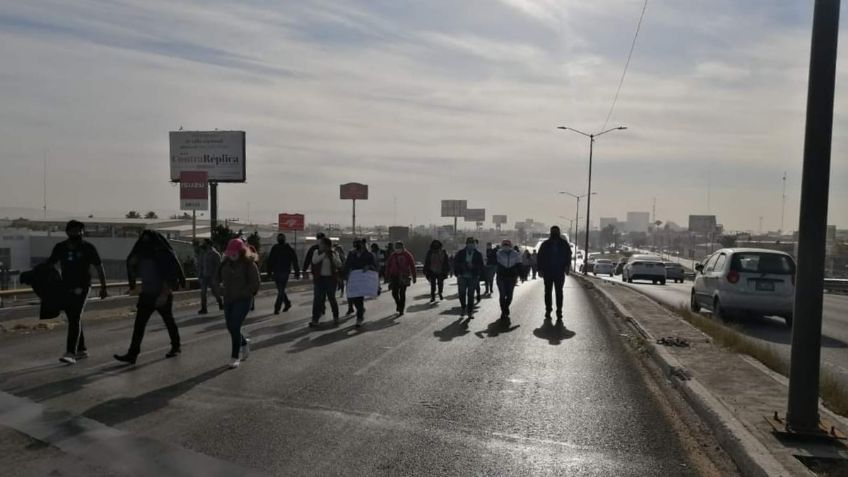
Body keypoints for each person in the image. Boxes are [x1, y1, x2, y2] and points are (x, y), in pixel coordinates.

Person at [114, 231, 185, 364]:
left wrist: (164, 295)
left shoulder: (163, 254)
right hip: (146, 294)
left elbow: (170, 276)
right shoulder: (142, 255)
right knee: (139, 325)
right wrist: (132, 265)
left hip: (161, 295)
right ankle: (132, 354)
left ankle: (176, 347)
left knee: (169, 322)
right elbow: (135, 270)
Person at [47, 220, 108, 364]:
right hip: (65, 287)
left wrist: (103, 287)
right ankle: (82, 349)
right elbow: (49, 264)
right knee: (73, 318)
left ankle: (70, 353)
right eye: (74, 230)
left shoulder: (88, 248)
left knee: (74, 317)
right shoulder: (60, 247)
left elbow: (99, 267)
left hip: (83, 287)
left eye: (80, 231)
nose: (78, 233)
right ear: (68, 232)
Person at [217, 239, 261, 369]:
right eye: (230, 253)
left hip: (243, 300)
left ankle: (235, 357)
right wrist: (220, 290)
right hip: (228, 299)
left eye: (234, 252)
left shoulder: (249, 264)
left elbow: (255, 284)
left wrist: (243, 292)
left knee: (235, 325)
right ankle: (243, 342)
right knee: (230, 327)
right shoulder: (225, 263)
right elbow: (216, 279)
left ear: (241, 251)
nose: (232, 255)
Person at [537, 226, 573, 321]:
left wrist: (567, 267)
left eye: (556, 232)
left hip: (559, 272)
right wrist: (540, 269)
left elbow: (568, 255)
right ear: (551, 233)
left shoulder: (564, 244)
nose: (554, 233)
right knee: (547, 292)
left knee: (559, 292)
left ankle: (559, 311)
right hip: (548, 272)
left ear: (559, 232)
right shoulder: (545, 244)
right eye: (553, 232)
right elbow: (539, 257)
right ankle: (548, 310)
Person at [343, 239, 377, 328]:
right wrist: (346, 274)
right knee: (353, 298)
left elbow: (374, 266)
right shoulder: (352, 254)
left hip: (363, 280)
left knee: (359, 298)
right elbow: (347, 265)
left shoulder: (369, 255)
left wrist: (368, 266)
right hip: (353, 279)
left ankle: (359, 318)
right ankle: (360, 310)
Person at [310, 237, 342, 327]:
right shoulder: (316, 252)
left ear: (327, 245)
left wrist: (331, 256)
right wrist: (324, 254)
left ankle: (336, 317)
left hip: (330, 279)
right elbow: (314, 261)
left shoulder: (334, 253)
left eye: (321, 244)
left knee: (332, 298)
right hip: (319, 279)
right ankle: (315, 319)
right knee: (317, 299)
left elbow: (339, 264)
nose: (320, 245)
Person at [266, 233, 300, 314]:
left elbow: (294, 261)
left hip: (284, 272)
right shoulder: (276, 248)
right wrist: (269, 272)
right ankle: (287, 303)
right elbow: (270, 261)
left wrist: (297, 272)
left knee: (281, 291)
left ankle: (277, 308)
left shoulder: (287, 248)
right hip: (277, 272)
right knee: (281, 290)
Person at [452, 237, 484, 319]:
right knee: (462, 293)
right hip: (462, 276)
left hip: (473, 277)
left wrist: (473, 267)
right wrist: (462, 267)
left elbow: (481, 266)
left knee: (471, 294)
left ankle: (470, 311)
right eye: (469, 243)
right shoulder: (460, 253)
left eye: (472, 243)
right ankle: (463, 307)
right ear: (466, 244)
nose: (471, 245)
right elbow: (455, 263)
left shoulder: (478, 254)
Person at [386, 241, 417, 316]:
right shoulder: (393, 255)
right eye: (396, 248)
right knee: (394, 293)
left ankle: (401, 309)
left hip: (404, 276)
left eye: (399, 248)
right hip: (394, 276)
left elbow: (412, 265)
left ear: (402, 248)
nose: (397, 250)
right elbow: (388, 265)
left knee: (402, 293)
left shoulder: (407, 255)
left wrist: (414, 277)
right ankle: (398, 304)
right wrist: (387, 276)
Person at [496, 239, 521, 323]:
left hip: (511, 277)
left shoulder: (516, 254)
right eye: (504, 245)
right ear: (502, 246)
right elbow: (491, 261)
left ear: (510, 246)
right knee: (502, 295)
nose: (506, 246)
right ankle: (503, 311)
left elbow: (519, 265)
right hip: (501, 277)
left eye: (507, 245)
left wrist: (522, 275)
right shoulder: (498, 253)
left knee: (509, 296)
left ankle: (506, 307)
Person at [197, 239, 223, 314]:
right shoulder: (203, 253)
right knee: (203, 292)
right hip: (205, 276)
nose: (203, 245)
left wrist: (216, 276)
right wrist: (200, 275)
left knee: (215, 292)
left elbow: (218, 266)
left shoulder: (215, 254)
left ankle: (220, 302)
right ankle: (204, 308)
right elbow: (200, 265)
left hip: (212, 276)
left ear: (208, 244)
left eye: (205, 243)